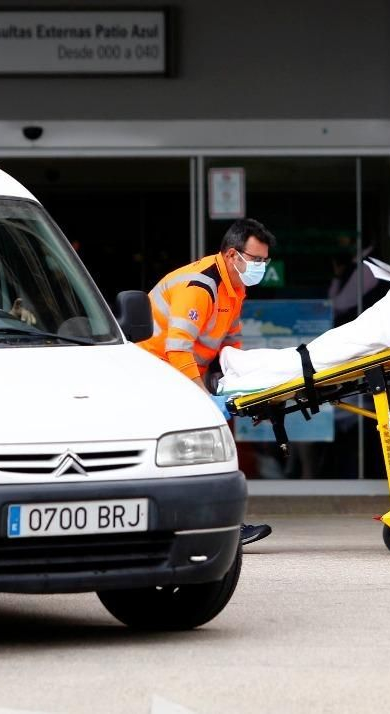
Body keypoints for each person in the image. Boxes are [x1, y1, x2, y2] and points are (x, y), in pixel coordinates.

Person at [139, 218, 276, 547]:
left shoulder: (235, 287)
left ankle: (221, 525)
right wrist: (203, 396)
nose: (260, 267)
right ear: (232, 255)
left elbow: (231, 342)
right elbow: (177, 347)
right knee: (195, 448)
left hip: (178, 371)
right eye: (256, 260)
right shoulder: (202, 286)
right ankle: (211, 526)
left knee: (209, 445)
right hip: (154, 370)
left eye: (264, 261)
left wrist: (240, 386)